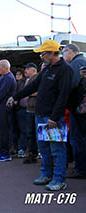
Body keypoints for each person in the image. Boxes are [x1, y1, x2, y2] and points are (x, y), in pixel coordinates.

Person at [7, 40, 73, 191]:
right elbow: (32, 87)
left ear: (51, 53)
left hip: (52, 118)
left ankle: (59, 179)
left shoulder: (65, 69)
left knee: (57, 149)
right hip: (41, 116)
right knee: (44, 148)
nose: (41, 56)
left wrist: (55, 117)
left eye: (43, 53)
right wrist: (15, 97)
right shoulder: (47, 69)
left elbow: (63, 96)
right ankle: (47, 174)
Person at [62, 43, 86, 178]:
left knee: (77, 139)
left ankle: (81, 169)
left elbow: (70, 85)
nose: (63, 57)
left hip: (78, 110)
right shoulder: (82, 62)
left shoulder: (76, 64)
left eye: (63, 54)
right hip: (80, 108)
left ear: (70, 51)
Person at [0, 60, 16, 162]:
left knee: (3, 131)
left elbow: (1, 93)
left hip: (3, 108)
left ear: (5, 67)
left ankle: (5, 154)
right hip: (0, 108)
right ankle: (1, 151)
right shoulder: (5, 77)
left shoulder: (8, 78)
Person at [22, 63, 39, 164]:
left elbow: (41, 91)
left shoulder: (37, 78)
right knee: (29, 133)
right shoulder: (27, 80)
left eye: (27, 69)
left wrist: (29, 92)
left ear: (33, 70)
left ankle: (35, 153)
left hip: (35, 110)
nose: (25, 71)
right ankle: (32, 153)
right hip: (29, 109)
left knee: (35, 133)